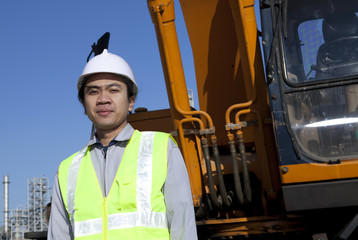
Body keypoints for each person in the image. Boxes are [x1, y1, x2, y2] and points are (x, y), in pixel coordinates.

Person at [48, 49, 198, 239]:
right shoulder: (67, 170)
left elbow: (183, 226)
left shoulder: (161, 148)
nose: (103, 99)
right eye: (93, 92)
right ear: (84, 106)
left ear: (131, 101)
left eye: (113, 90)